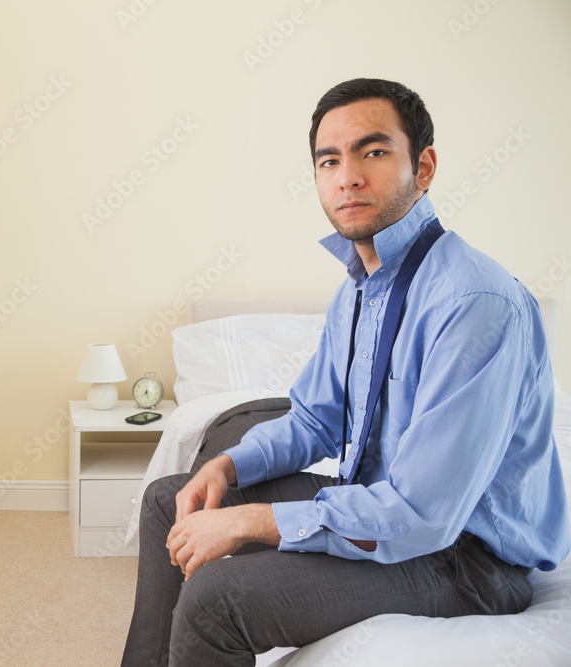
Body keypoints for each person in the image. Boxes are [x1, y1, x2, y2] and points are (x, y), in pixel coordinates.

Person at [121, 78, 570, 666]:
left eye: (374, 152)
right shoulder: (361, 289)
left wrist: (252, 521)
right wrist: (226, 465)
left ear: (424, 166)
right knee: (168, 500)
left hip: (464, 558)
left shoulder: (475, 303)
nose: (348, 176)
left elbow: (423, 516)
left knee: (214, 600)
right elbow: (314, 418)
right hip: (376, 502)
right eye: (329, 160)